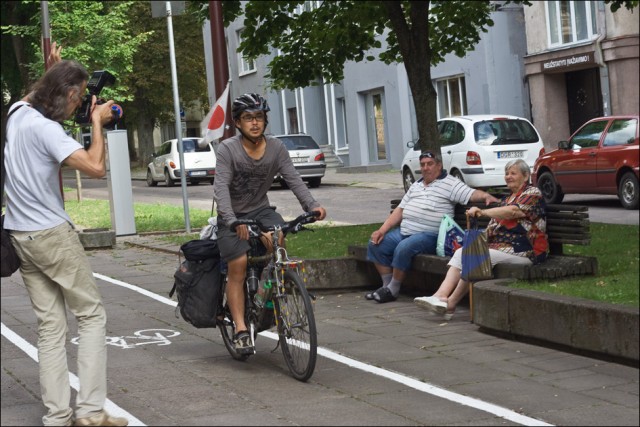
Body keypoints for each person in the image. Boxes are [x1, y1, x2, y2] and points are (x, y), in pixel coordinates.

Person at [3, 50, 128, 426]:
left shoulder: (15, 114)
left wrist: (53, 70)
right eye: (80, 95)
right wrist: (97, 122)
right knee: (91, 315)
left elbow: (38, 93)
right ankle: (90, 413)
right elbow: (94, 167)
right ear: (68, 94)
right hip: (52, 235)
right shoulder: (47, 130)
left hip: (20, 234)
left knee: (50, 327)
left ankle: (57, 417)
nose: (80, 101)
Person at [213, 93, 327, 354]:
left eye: (259, 117)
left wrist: (312, 206)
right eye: (248, 118)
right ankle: (241, 329)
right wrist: (231, 222)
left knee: (278, 239)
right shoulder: (228, 149)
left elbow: (294, 179)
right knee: (239, 264)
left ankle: (268, 288)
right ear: (238, 123)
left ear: (265, 120)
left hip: (261, 210)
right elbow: (220, 189)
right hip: (232, 215)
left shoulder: (276, 148)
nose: (254, 123)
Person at [414, 159, 548, 320]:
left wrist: (483, 213)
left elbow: (513, 212)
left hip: (525, 251)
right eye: (506, 173)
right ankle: (440, 296)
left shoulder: (532, 193)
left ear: (525, 176)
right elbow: (493, 227)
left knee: (477, 256)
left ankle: (451, 303)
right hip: (502, 248)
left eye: (513, 173)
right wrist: (476, 240)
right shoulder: (507, 199)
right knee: (462, 252)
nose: (508, 176)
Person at [365, 151, 499, 303]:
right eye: (422, 165)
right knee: (375, 243)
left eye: (430, 164)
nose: (425, 168)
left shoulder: (450, 183)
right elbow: (400, 210)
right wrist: (381, 230)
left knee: (404, 247)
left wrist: (485, 196)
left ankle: (393, 288)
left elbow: (470, 193)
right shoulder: (416, 185)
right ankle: (386, 287)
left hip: (430, 234)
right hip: (405, 231)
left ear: (439, 165)